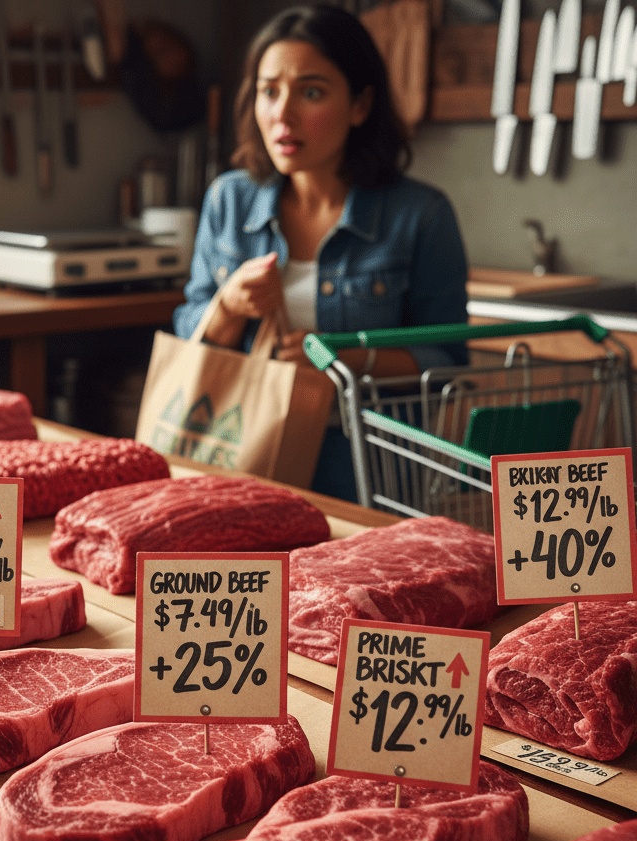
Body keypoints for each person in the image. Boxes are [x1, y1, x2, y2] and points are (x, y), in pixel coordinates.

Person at [173, 3, 469, 500]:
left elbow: (446, 362)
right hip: (242, 454)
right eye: (269, 91)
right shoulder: (229, 199)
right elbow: (189, 332)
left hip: (368, 471)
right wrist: (227, 306)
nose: (282, 114)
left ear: (360, 105)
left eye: (311, 92)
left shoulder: (421, 214)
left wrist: (341, 358)